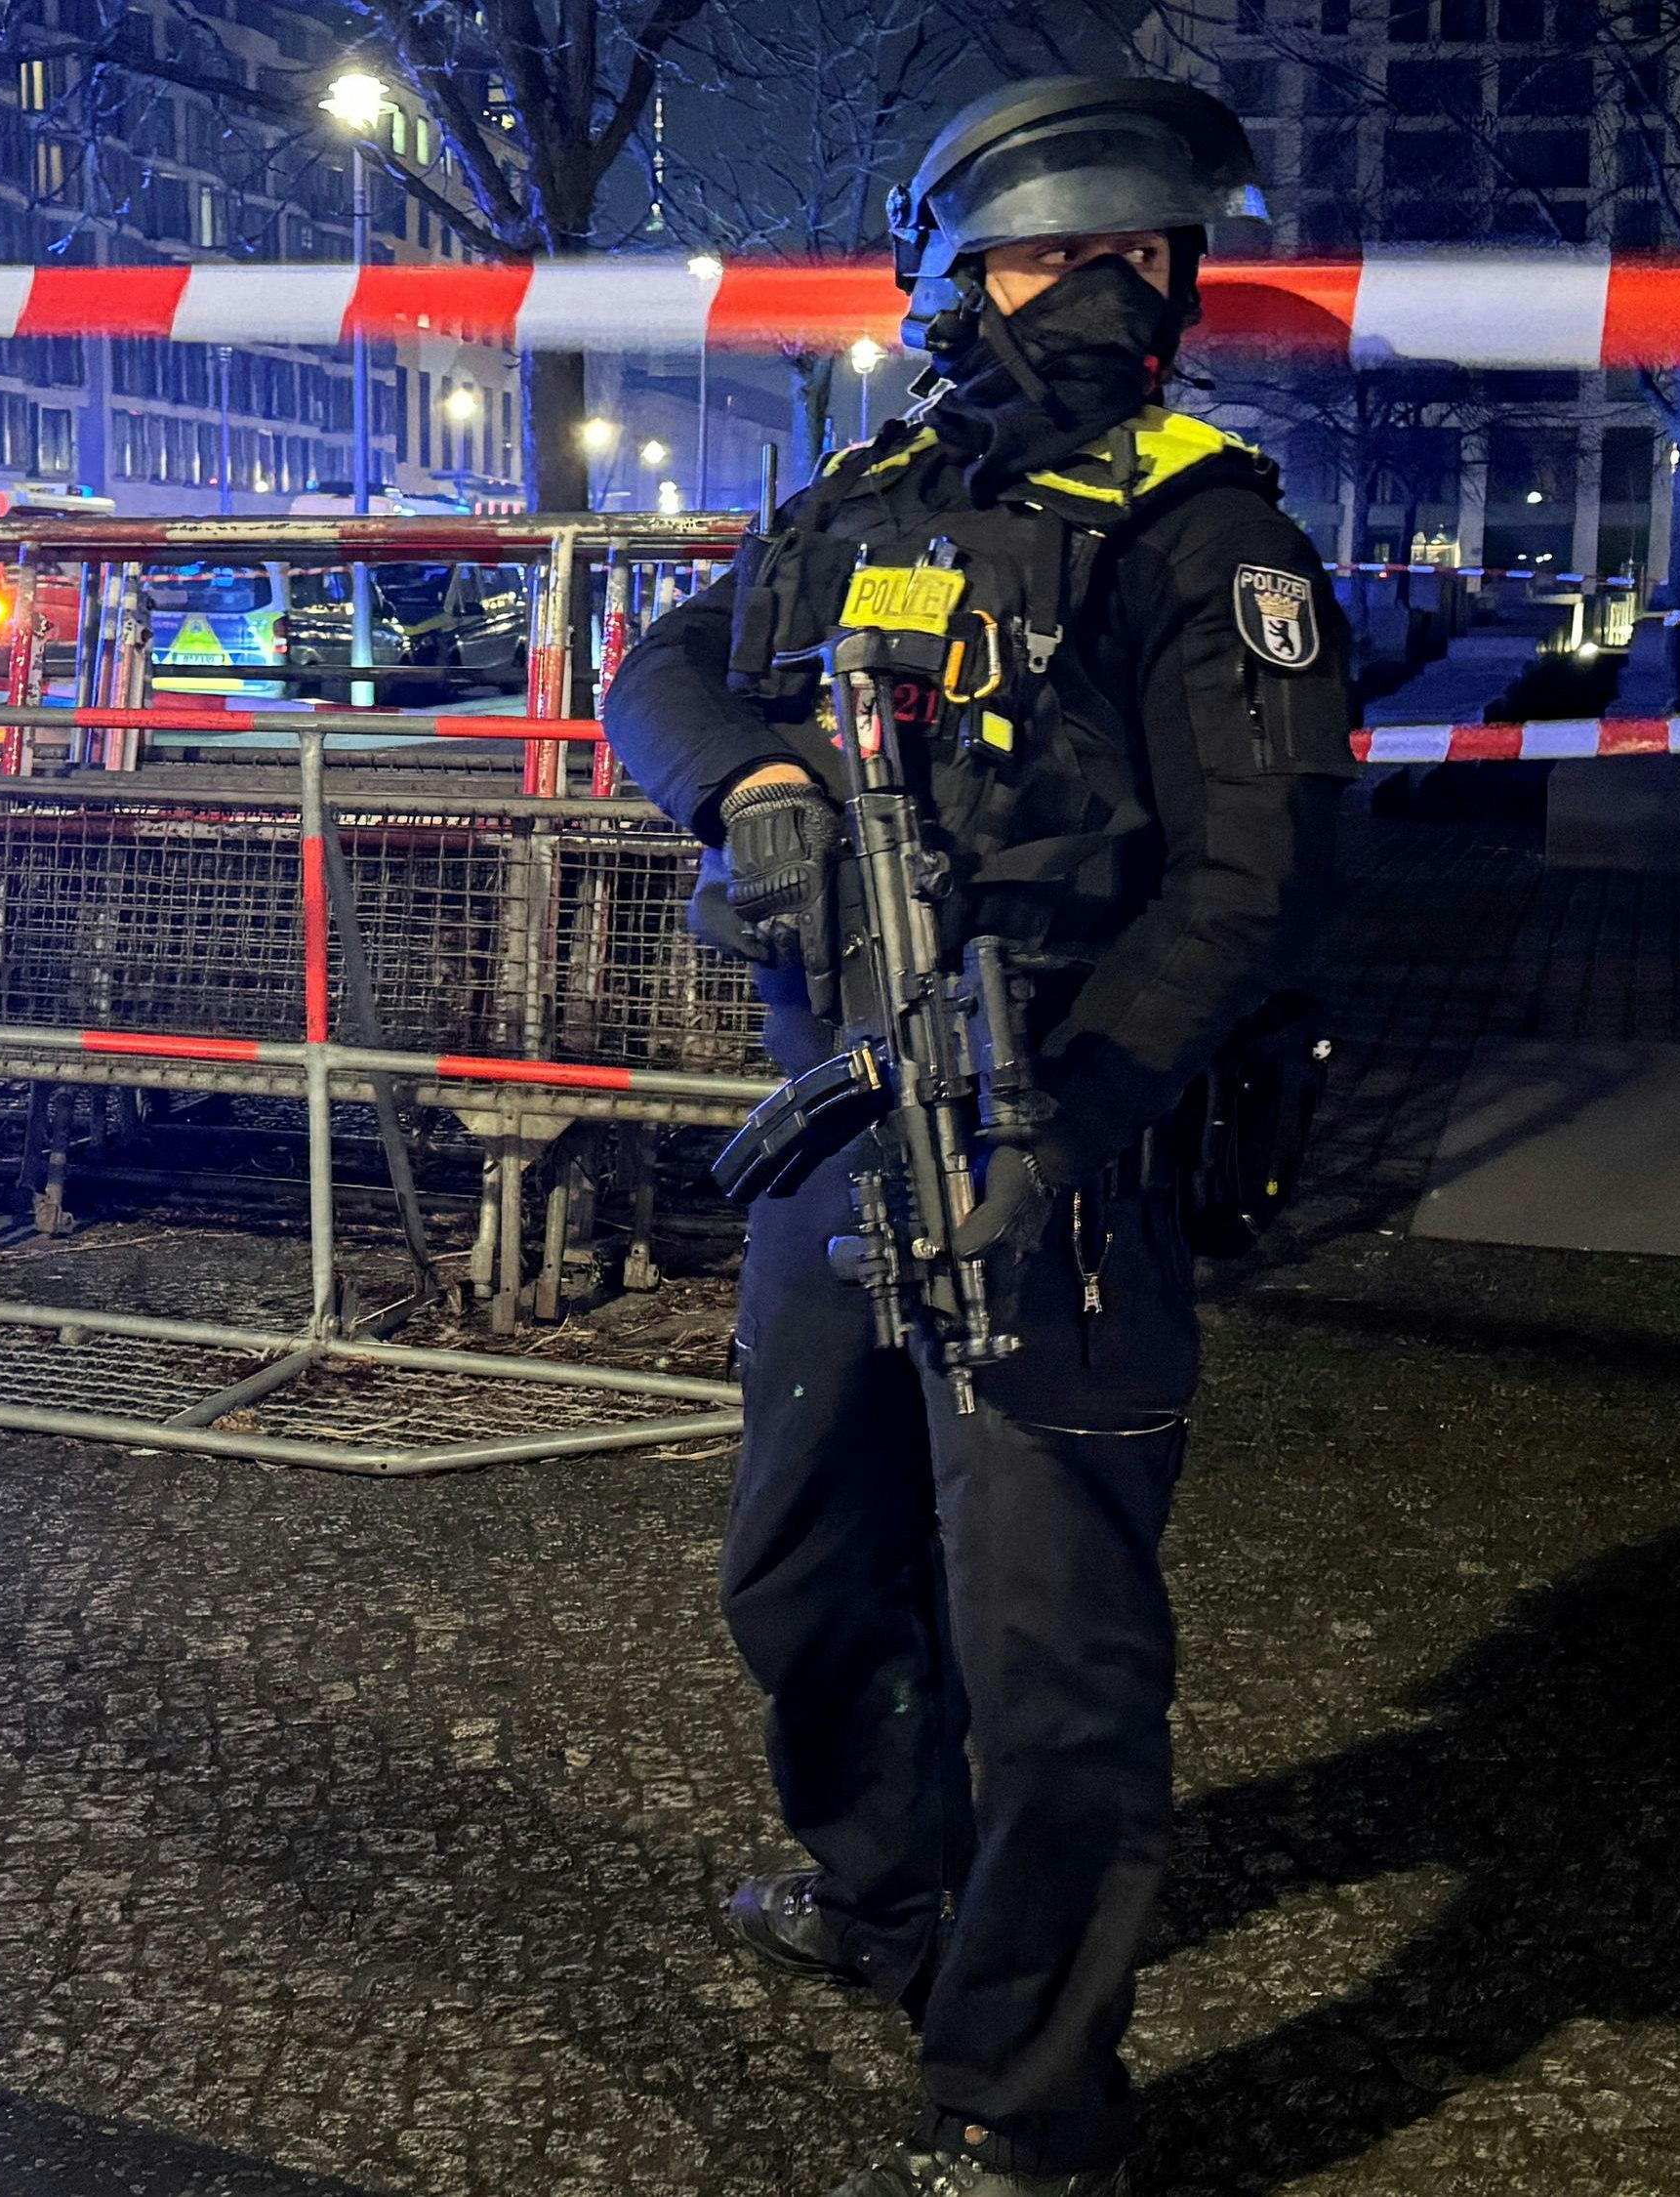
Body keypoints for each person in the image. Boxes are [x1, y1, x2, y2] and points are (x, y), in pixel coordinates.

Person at [600, 76, 1358, 2197]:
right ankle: (881, 1894)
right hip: (841, 1110)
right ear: (951, 272)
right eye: (1050, 253)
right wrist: (749, 794)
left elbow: (1255, 884)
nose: (1099, 293)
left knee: (1054, 1664)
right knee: (806, 1566)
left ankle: (1025, 2107)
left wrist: (1072, 1121)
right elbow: (654, 669)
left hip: (1063, 1140)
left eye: (1137, 257)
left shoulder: (1212, 532)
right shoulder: (871, 488)